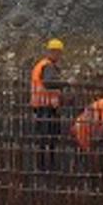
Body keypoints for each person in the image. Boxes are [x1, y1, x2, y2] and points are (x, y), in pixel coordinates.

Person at [30, 38, 66, 169]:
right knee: (49, 137)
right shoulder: (48, 66)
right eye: (56, 52)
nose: (58, 55)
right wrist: (66, 83)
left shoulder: (44, 65)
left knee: (44, 138)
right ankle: (47, 166)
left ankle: (42, 165)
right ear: (53, 52)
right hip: (46, 106)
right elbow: (49, 83)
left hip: (42, 106)